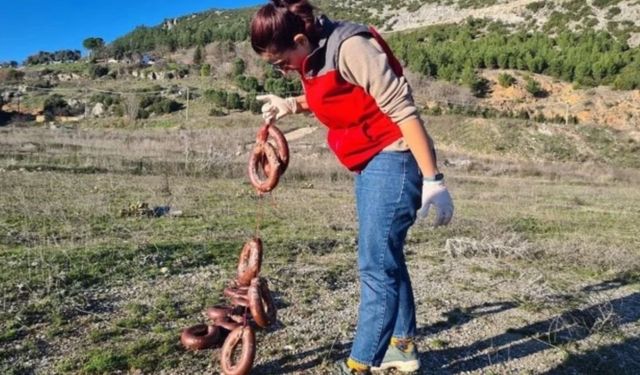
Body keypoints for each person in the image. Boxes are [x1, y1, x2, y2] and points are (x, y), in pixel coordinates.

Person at [251, 1, 454, 373]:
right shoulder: (314, 52)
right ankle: (403, 346)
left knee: (374, 266)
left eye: (281, 63)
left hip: (393, 158)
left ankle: (359, 365)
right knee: (386, 257)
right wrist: (291, 105)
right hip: (367, 163)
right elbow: (344, 96)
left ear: (299, 38)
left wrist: (433, 179)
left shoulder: (351, 47)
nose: (282, 71)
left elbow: (403, 110)